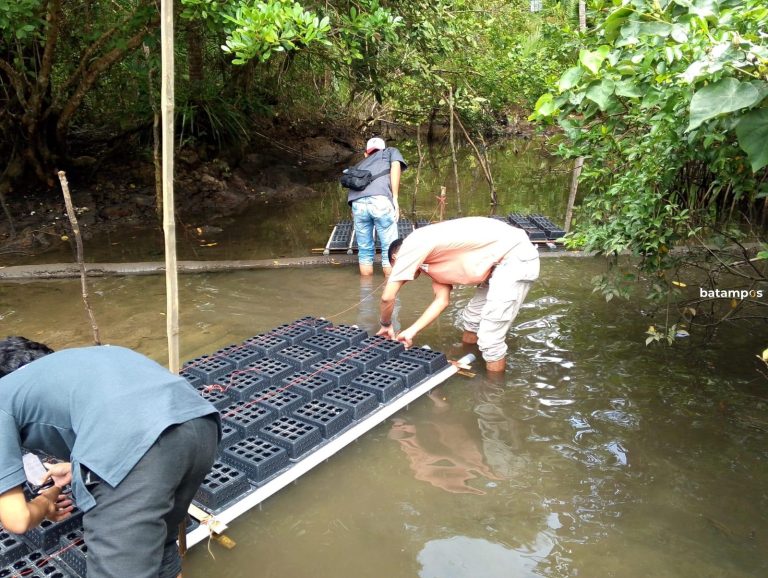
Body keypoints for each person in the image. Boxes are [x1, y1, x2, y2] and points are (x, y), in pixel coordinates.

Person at [0, 337, 220, 578]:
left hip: (136, 451)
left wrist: (46, 501)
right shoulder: (80, 359)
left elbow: (17, 519)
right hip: (201, 425)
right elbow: (126, 408)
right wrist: (78, 467)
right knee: (158, 545)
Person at [376, 217, 540, 372]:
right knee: (471, 321)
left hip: (514, 257)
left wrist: (385, 325)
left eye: (395, 266)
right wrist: (411, 331)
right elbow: (442, 301)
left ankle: (494, 390)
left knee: (490, 338)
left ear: (396, 257)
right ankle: (470, 360)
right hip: (496, 266)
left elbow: (387, 297)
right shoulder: (430, 262)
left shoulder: (412, 245)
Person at [346, 136, 407, 276]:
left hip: (358, 204)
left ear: (366, 153)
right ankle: (390, 291)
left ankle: (366, 290)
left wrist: (355, 211)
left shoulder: (360, 164)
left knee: (365, 250)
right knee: (389, 248)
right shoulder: (389, 152)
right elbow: (396, 166)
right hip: (380, 201)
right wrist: (395, 198)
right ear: (383, 149)